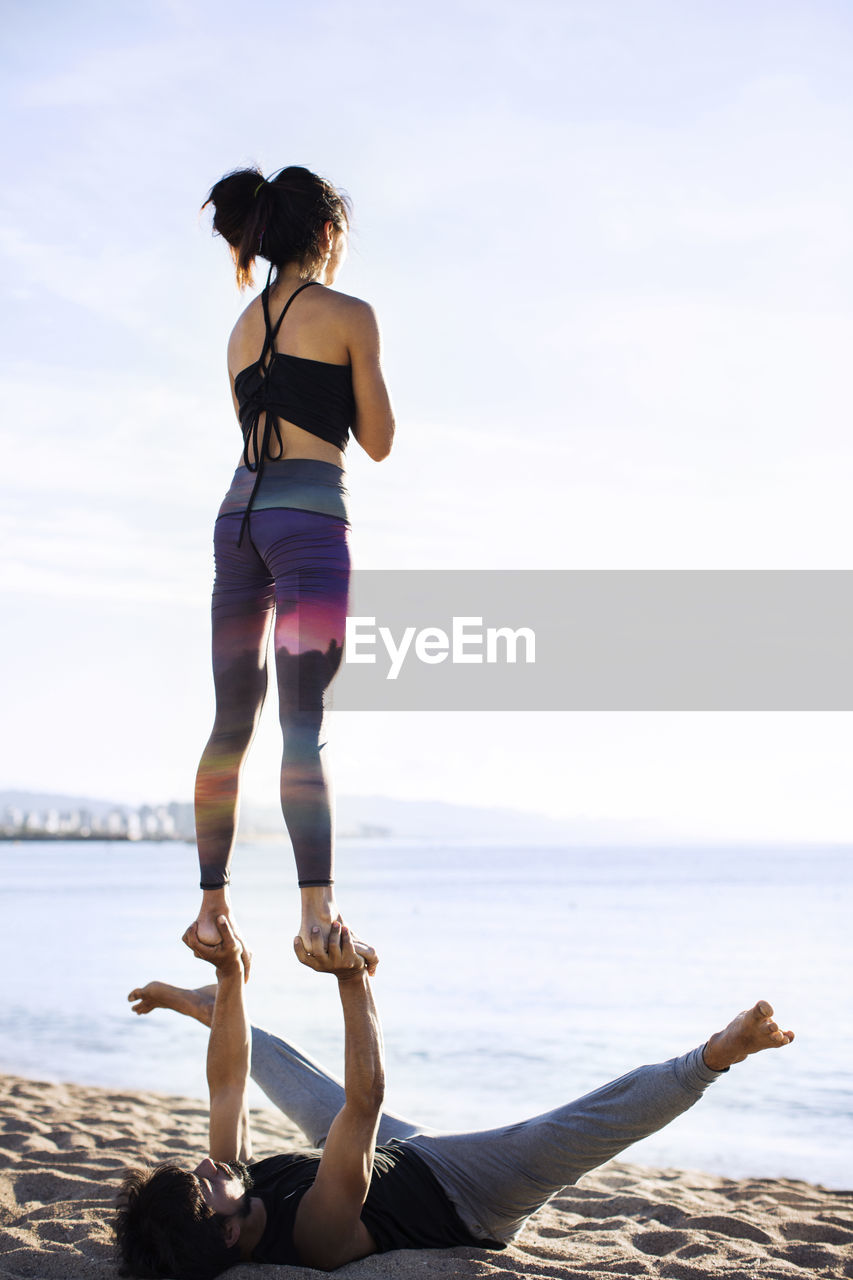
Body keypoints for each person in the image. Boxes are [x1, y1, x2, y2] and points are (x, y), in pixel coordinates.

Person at [116, 921, 794, 1278]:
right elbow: (366, 1098)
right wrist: (351, 978)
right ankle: (712, 1056)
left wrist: (228, 971)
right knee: (566, 1133)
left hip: (382, 1157)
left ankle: (206, 1004)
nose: (206, 1167)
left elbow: (225, 1084)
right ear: (230, 1234)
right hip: (463, 1199)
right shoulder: (311, 1239)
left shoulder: (234, 1191)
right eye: (204, 1187)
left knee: (268, 1068)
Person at [191, 165, 394, 968]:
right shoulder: (351, 316)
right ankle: (316, 917)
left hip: (235, 524)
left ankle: (211, 910)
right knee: (302, 728)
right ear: (327, 233)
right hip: (307, 525)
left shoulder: (241, 328)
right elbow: (376, 441)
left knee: (230, 726)